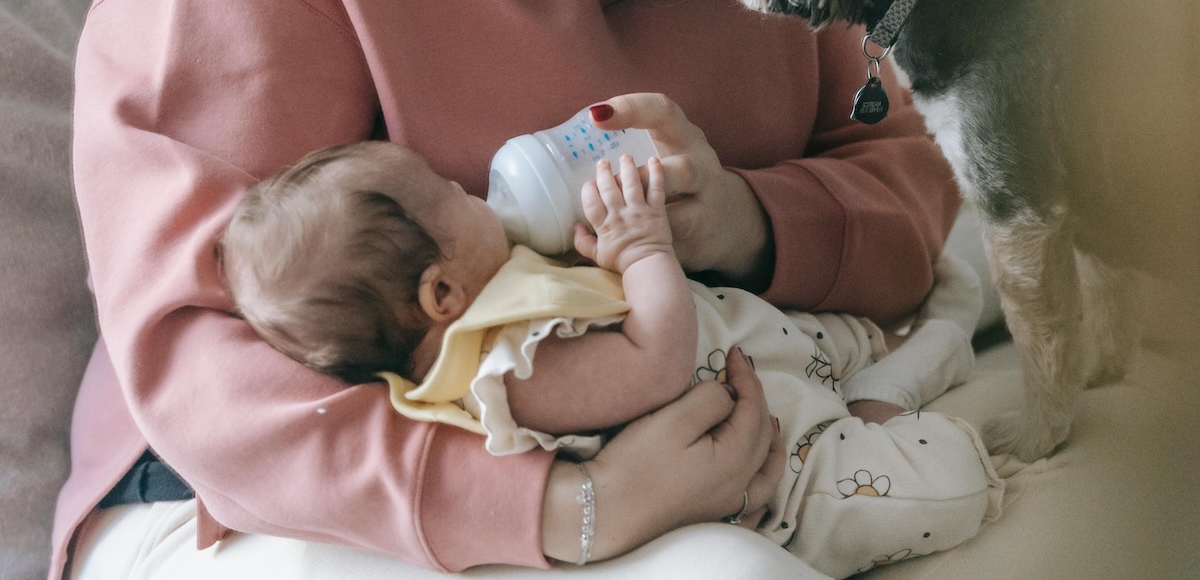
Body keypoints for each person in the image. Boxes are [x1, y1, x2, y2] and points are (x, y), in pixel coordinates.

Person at [58, 0, 965, 576]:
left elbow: (910, 168)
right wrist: (572, 506)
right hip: (263, 496)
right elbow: (203, 369)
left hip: (705, 414)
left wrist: (747, 221)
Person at [218, 139, 999, 579]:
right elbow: (654, 363)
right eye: (448, 193)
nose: (467, 183)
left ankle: (908, 355)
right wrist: (643, 248)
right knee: (935, 487)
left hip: (765, 349)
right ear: (443, 294)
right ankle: (924, 428)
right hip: (776, 460)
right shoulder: (512, 369)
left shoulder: (495, 297)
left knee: (875, 331)